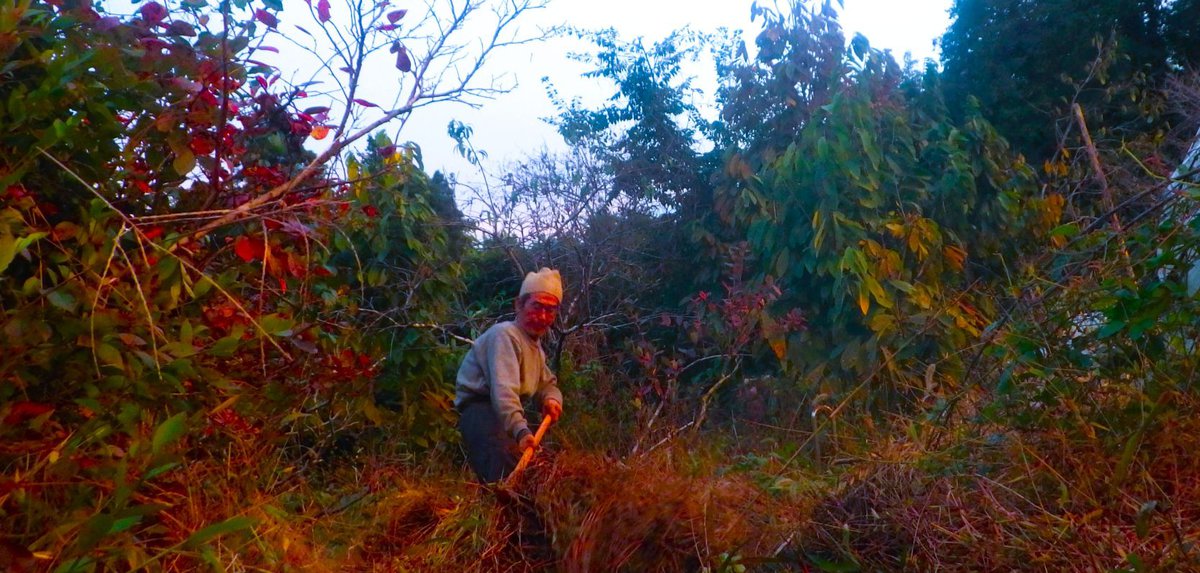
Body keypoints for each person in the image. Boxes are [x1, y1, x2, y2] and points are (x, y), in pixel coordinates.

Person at [455, 267, 564, 483]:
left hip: (504, 417)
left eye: (550, 310)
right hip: (482, 413)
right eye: (536, 307)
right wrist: (521, 431)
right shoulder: (505, 335)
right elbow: (504, 392)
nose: (542, 317)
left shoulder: (535, 347)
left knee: (536, 474)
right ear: (519, 305)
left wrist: (552, 399)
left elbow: (547, 384)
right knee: (507, 479)